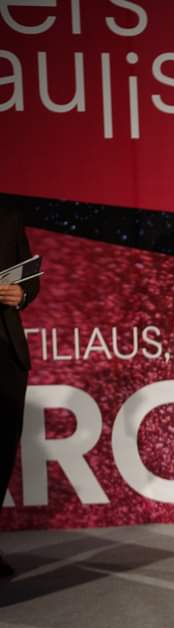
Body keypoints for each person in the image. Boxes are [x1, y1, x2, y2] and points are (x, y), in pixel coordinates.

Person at [0, 204, 39, 578]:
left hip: (7, 356)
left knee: (2, 455)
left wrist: (22, 293)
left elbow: (29, 276)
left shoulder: (7, 216)